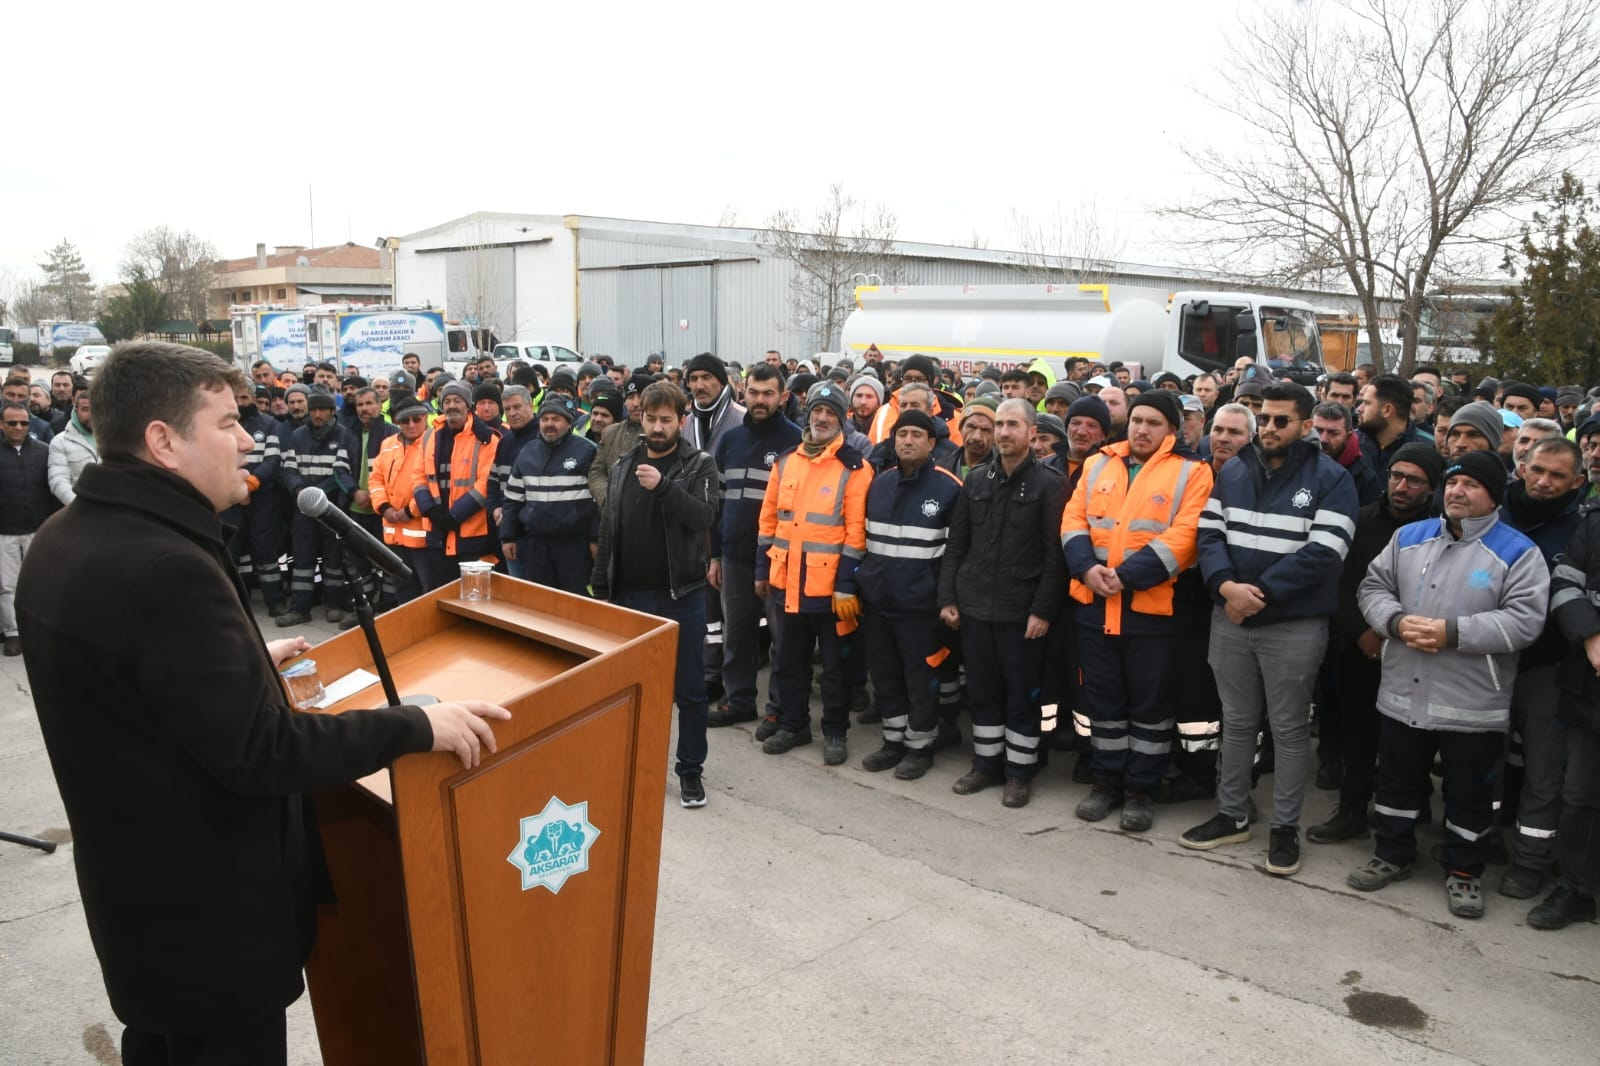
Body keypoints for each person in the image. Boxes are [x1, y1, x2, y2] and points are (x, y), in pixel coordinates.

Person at [13, 341, 507, 1064]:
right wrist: (414, 725)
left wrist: (243, 661)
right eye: (225, 423)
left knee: (159, 1043)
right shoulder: (165, 565)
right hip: (211, 924)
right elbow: (262, 752)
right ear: (163, 441)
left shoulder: (69, 536)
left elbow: (134, 686)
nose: (249, 440)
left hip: (139, 904)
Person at [1349, 450, 1548, 919]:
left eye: (1471, 486)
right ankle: (1392, 853)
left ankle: (1464, 871)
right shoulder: (1409, 537)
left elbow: (1524, 621)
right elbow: (1371, 587)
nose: (1457, 492)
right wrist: (1394, 622)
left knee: (1469, 792)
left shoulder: (1518, 551)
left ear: (1493, 495)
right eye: (1453, 483)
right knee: (1397, 781)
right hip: (1403, 691)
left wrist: (1450, 633)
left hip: (1472, 702)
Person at [1182, 382, 1358, 877]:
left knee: (1288, 729)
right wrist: (1225, 588)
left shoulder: (1331, 478)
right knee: (1236, 722)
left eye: (1283, 420)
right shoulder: (1234, 469)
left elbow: (1325, 555)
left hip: (1291, 625)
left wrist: (1252, 596)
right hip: (1231, 615)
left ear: (1305, 425)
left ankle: (1285, 829)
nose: (1271, 428)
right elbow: (1209, 535)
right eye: (1266, 419)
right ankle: (1232, 812)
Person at [1064, 390, 1213, 832]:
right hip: (1095, 605)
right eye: (1137, 421)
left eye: (1153, 423)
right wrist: (1087, 568)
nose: (1142, 429)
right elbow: (1073, 520)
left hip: (1152, 611)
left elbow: (1186, 537)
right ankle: (1106, 781)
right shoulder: (1098, 463)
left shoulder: (1193, 472)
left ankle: (1140, 789)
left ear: (1171, 430)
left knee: (1150, 705)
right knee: (1104, 700)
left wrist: (1124, 576)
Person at [591, 381, 718, 808]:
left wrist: (664, 487)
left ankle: (690, 772)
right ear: (640, 418)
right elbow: (609, 527)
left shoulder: (698, 463)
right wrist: (603, 589)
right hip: (630, 595)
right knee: (634, 690)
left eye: (667, 419)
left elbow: (704, 516)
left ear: (681, 420)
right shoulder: (626, 461)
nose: (658, 427)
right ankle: (637, 767)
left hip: (680, 596)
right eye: (651, 418)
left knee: (689, 691)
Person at [1308, 443, 1443, 845]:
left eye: (1414, 480)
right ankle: (1351, 810)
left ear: (1431, 487)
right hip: (1361, 648)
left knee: (1411, 739)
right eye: (1396, 476)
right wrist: (1364, 634)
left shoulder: (1441, 530)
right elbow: (1339, 582)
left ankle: (1411, 807)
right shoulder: (1362, 520)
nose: (1402, 486)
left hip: (1417, 651)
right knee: (1359, 736)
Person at [939, 398, 1067, 808]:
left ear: (1032, 433)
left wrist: (1043, 610)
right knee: (982, 691)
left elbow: (1055, 556)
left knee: (1021, 695)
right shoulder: (977, 480)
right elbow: (957, 544)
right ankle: (986, 764)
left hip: (1021, 612)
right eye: (1000, 425)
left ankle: (1019, 772)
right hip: (975, 608)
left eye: (1014, 424)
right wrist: (948, 597)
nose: (1004, 432)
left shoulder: (1051, 485)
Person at [757, 381, 873, 766]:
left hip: (831, 591)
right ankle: (794, 724)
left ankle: (836, 731)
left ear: (842, 421)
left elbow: (857, 533)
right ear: (808, 416)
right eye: (817, 412)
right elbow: (768, 520)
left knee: (836, 668)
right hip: (786, 583)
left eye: (831, 413)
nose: (822, 418)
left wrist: (845, 586)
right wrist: (762, 569)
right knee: (789, 661)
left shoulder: (855, 468)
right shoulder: (786, 461)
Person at [1496, 437, 1583, 900]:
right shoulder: (1492, 514)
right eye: (1538, 470)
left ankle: (1530, 861)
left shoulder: (1582, 531)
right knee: (1480, 760)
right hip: (1485, 663)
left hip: (1547, 668)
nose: (1545, 482)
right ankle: (1480, 839)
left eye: (1558, 476)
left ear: (1578, 483)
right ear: (1521, 468)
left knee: (1544, 772)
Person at [856, 408, 964, 780]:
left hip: (921, 608)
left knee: (921, 680)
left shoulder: (948, 488)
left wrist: (945, 598)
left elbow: (956, 553)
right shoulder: (880, 483)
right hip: (878, 604)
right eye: (902, 434)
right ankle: (893, 740)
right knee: (885, 676)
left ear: (932, 443)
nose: (907, 440)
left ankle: (920, 746)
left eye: (917, 435)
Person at [707, 364, 801, 731]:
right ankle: (739, 701)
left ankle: (777, 708)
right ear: (742, 392)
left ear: (783, 397)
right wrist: (714, 555)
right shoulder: (730, 441)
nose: (759, 400)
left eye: (768, 393)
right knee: (738, 634)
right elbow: (715, 502)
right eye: (753, 392)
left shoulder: (793, 441)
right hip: (733, 557)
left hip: (778, 559)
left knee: (781, 639)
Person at [1533, 485, 1600, 929]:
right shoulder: (1594, 523)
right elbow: (1565, 581)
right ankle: (1577, 887)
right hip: (1591, 682)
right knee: (1581, 795)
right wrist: (1591, 637)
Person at [500, 392, 597, 596]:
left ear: (568, 423)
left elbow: (598, 503)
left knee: (576, 605)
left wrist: (595, 539)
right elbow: (513, 499)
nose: (549, 424)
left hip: (574, 547)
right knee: (541, 606)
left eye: (556, 419)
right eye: (545, 419)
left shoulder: (587, 451)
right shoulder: (527, 452)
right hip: (536, 546)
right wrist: (508, 536)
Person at [413, 381, 501, 592]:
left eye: (457, 400)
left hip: (471, 532)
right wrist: (430, 510)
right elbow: (418, 477)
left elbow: (486, 481)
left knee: (475, 593)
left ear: (468, 405)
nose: (452, 405)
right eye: (447, 401)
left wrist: (455, 515)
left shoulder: (486, 437)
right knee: (442, 592)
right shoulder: (429, 436)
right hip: (437, 529)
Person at [276, 391, 354, 626]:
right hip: (303, 508)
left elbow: (341, 472)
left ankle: (333, 604)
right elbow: (288, 470)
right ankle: (300, 608)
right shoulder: (298, 435)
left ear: (332, 411)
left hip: (330, 508)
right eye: (313, 410)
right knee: (303, 560)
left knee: (333, 559)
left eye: (322, 410)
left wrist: (317, 494)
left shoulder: (342, 434)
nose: (317, 414)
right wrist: (299, 491)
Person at [340, 387, 401, 623]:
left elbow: (396, 473)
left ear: (379, 405)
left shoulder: (392, 433)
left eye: (368, 404)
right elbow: (340, 469)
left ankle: (386, 609)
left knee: (386, 559)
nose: (364, 409)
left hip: (383, 510)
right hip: (356, 510)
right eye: (359, 405)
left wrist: (379, 499)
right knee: (358, 561)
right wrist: (354, 492)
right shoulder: (349, 433)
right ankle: (363, 609)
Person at [366, 390, 432, 605]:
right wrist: (384, 508)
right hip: (393, 533)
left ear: (425, 418)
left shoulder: (433, 443)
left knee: (428, 588)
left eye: (416, 419)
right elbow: (375, 479)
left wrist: (408, 511)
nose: (411, 424)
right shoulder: (387, 444)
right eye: (405, 420)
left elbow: (433, 485)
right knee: (402, 589)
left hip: (423, 537)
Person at [0, 401, 54, 656]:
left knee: (40, 582)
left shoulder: (44, 452)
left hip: (37, 528)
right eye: (12, 422)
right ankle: (14, 634)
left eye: (23, 422)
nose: (18, 427)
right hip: (5, 531)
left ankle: (40, 630)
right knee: (8, 585)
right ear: (2, 424)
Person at [1313, 401, 1381, 505]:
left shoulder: (1365, 478)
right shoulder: (1291, 463)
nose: (1323, 439)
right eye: (1318, 430)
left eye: (1333, 433)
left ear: (1348, 436)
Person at [47, 382, 98, 505]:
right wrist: (79, 507)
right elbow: (58, 480)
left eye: (96, 409)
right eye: (85, 409)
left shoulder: (115, 439)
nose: (91, 415)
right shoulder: (60, 441)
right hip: (79, 512)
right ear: (76, 410)